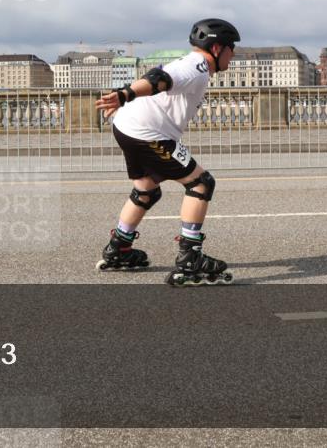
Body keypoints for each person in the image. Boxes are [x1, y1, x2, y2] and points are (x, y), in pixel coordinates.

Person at [94, 18, 240, 286]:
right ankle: (190, 258)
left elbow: (157, 78)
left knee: (146, 190)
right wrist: (125, 94)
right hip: (148, 133)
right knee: (200, 183)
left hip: (127, 126)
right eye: (232, 48)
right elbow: (159, 79)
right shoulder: (195, 67)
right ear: (217, 48)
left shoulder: (191, 64)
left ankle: (119, 248)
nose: (234, 54)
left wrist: (128, 99)